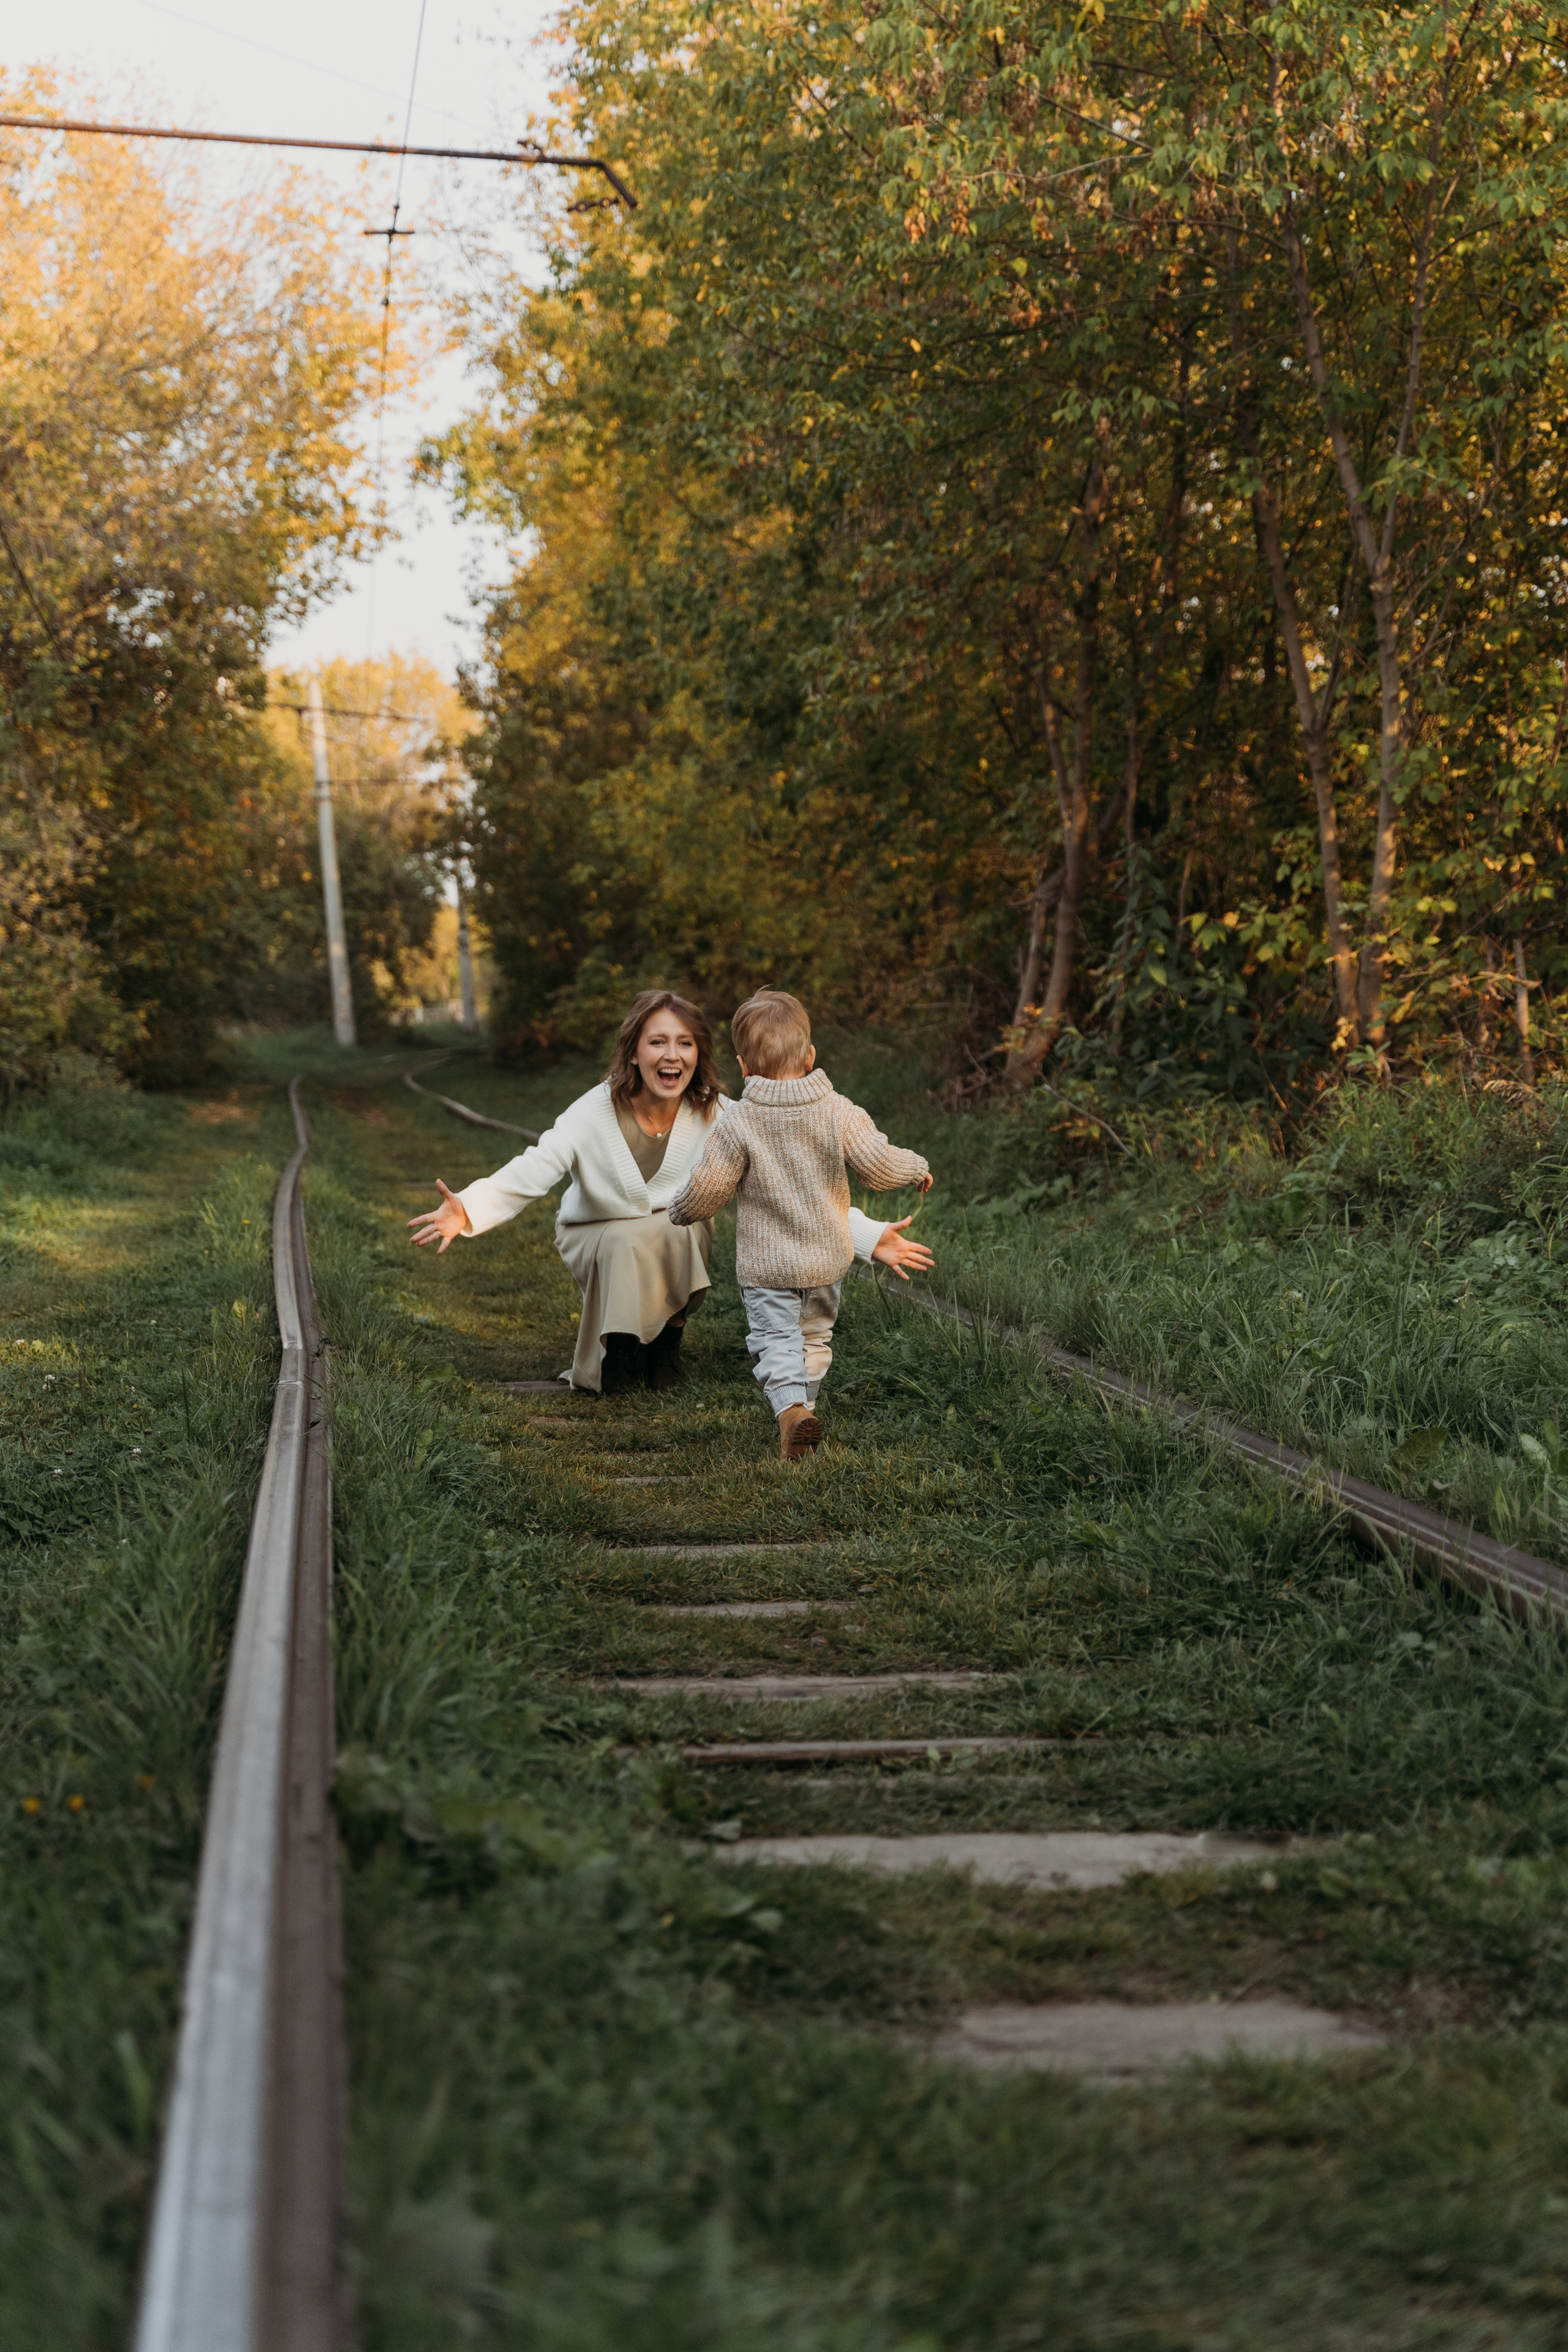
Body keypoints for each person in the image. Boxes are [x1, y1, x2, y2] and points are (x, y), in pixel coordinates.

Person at [407, 987, 929, 1398]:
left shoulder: (722, 1115)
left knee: (680, 1227)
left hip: (672, 1235)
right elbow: (536, 1166)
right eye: (657, 1042)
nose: (671, 1055)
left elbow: (793, 1185)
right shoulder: (594, 1110)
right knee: (624, 1240)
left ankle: (665, 1343)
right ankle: (621, 1349)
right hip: (596, 1235)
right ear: (634, 1052)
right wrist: (468, 1209)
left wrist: (868, 1237)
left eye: (685, 1043)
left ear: (699, 1054)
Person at [668, 987, 933, 1459]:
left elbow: (709, 1187)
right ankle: (804, 1411)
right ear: (810, 1057)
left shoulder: (739, 1122)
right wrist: (916, 1167)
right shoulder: (839, 1110)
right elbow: (878, 1164)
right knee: (813, 1339)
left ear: (743, 1066)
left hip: (768, 1270)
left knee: (775, 1341)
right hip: (826, 1265)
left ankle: (791, 1412)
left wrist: (680, 1209)